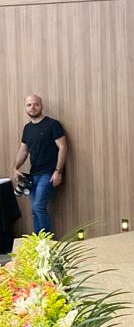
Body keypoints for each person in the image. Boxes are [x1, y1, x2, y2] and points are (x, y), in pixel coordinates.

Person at [11, 95, 67, 235]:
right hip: (34, 175)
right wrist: (15, 168)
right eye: (29, 105)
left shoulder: (52, 124)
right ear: (25, 107)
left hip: (49, 173)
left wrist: (58, 171)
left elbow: (63, 147)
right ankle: (38, 242)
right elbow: (24, 150)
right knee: (35, 210)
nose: (32, 107)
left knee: (38, 207)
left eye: (36, 104)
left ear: (41, 106)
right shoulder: (27, 128)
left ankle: (46, 243)